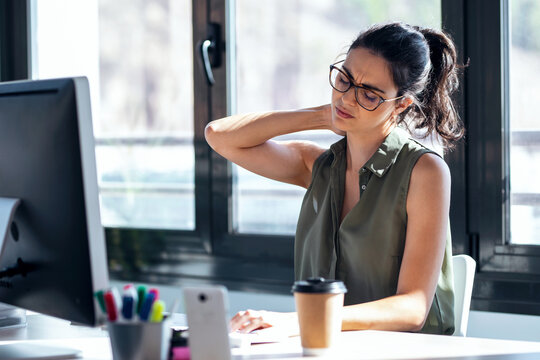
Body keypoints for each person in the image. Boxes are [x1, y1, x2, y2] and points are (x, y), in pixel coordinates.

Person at [205, 22, 464, 335]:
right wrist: (320, 115)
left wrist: (298, 321)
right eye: (344, 79)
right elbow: (219, 136)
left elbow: (412, 308)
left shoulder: (424, 171)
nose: (348, 99)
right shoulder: (318, 165)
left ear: (401, 104)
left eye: (369, 95)